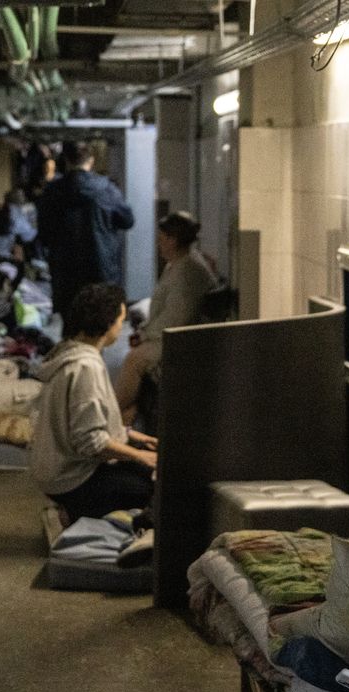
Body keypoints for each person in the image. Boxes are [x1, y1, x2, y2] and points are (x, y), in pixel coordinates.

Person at [30, 283, 158, 528]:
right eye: (120, 321)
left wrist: (134, 437)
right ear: (107, 324)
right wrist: (142, 456)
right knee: (155, 487)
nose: (122, 328)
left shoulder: (65, 353)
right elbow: (90, 441)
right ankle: (82, 513)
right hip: (72, 478)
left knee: (141, 468)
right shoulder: (86, 366)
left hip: (55, 470)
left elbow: (85, 424)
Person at [113, 211, 218, 424]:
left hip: (180, 340)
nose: (158, 245)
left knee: (134, 360)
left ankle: (113, 414)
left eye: (162, 240)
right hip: (172, 332)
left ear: (173, 240)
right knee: (135, 364)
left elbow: (174, 318)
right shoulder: (180, 262)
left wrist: (144, 334)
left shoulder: (187, 271)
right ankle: (123, 421)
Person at [35, 142, 134, 323]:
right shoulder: (107, 190)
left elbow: (44, 234)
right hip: (101, 269)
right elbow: (127, 221)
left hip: (65, 271)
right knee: (99, 323)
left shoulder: (52, 192)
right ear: (92, 160)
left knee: (71, 322)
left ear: (66, 161)